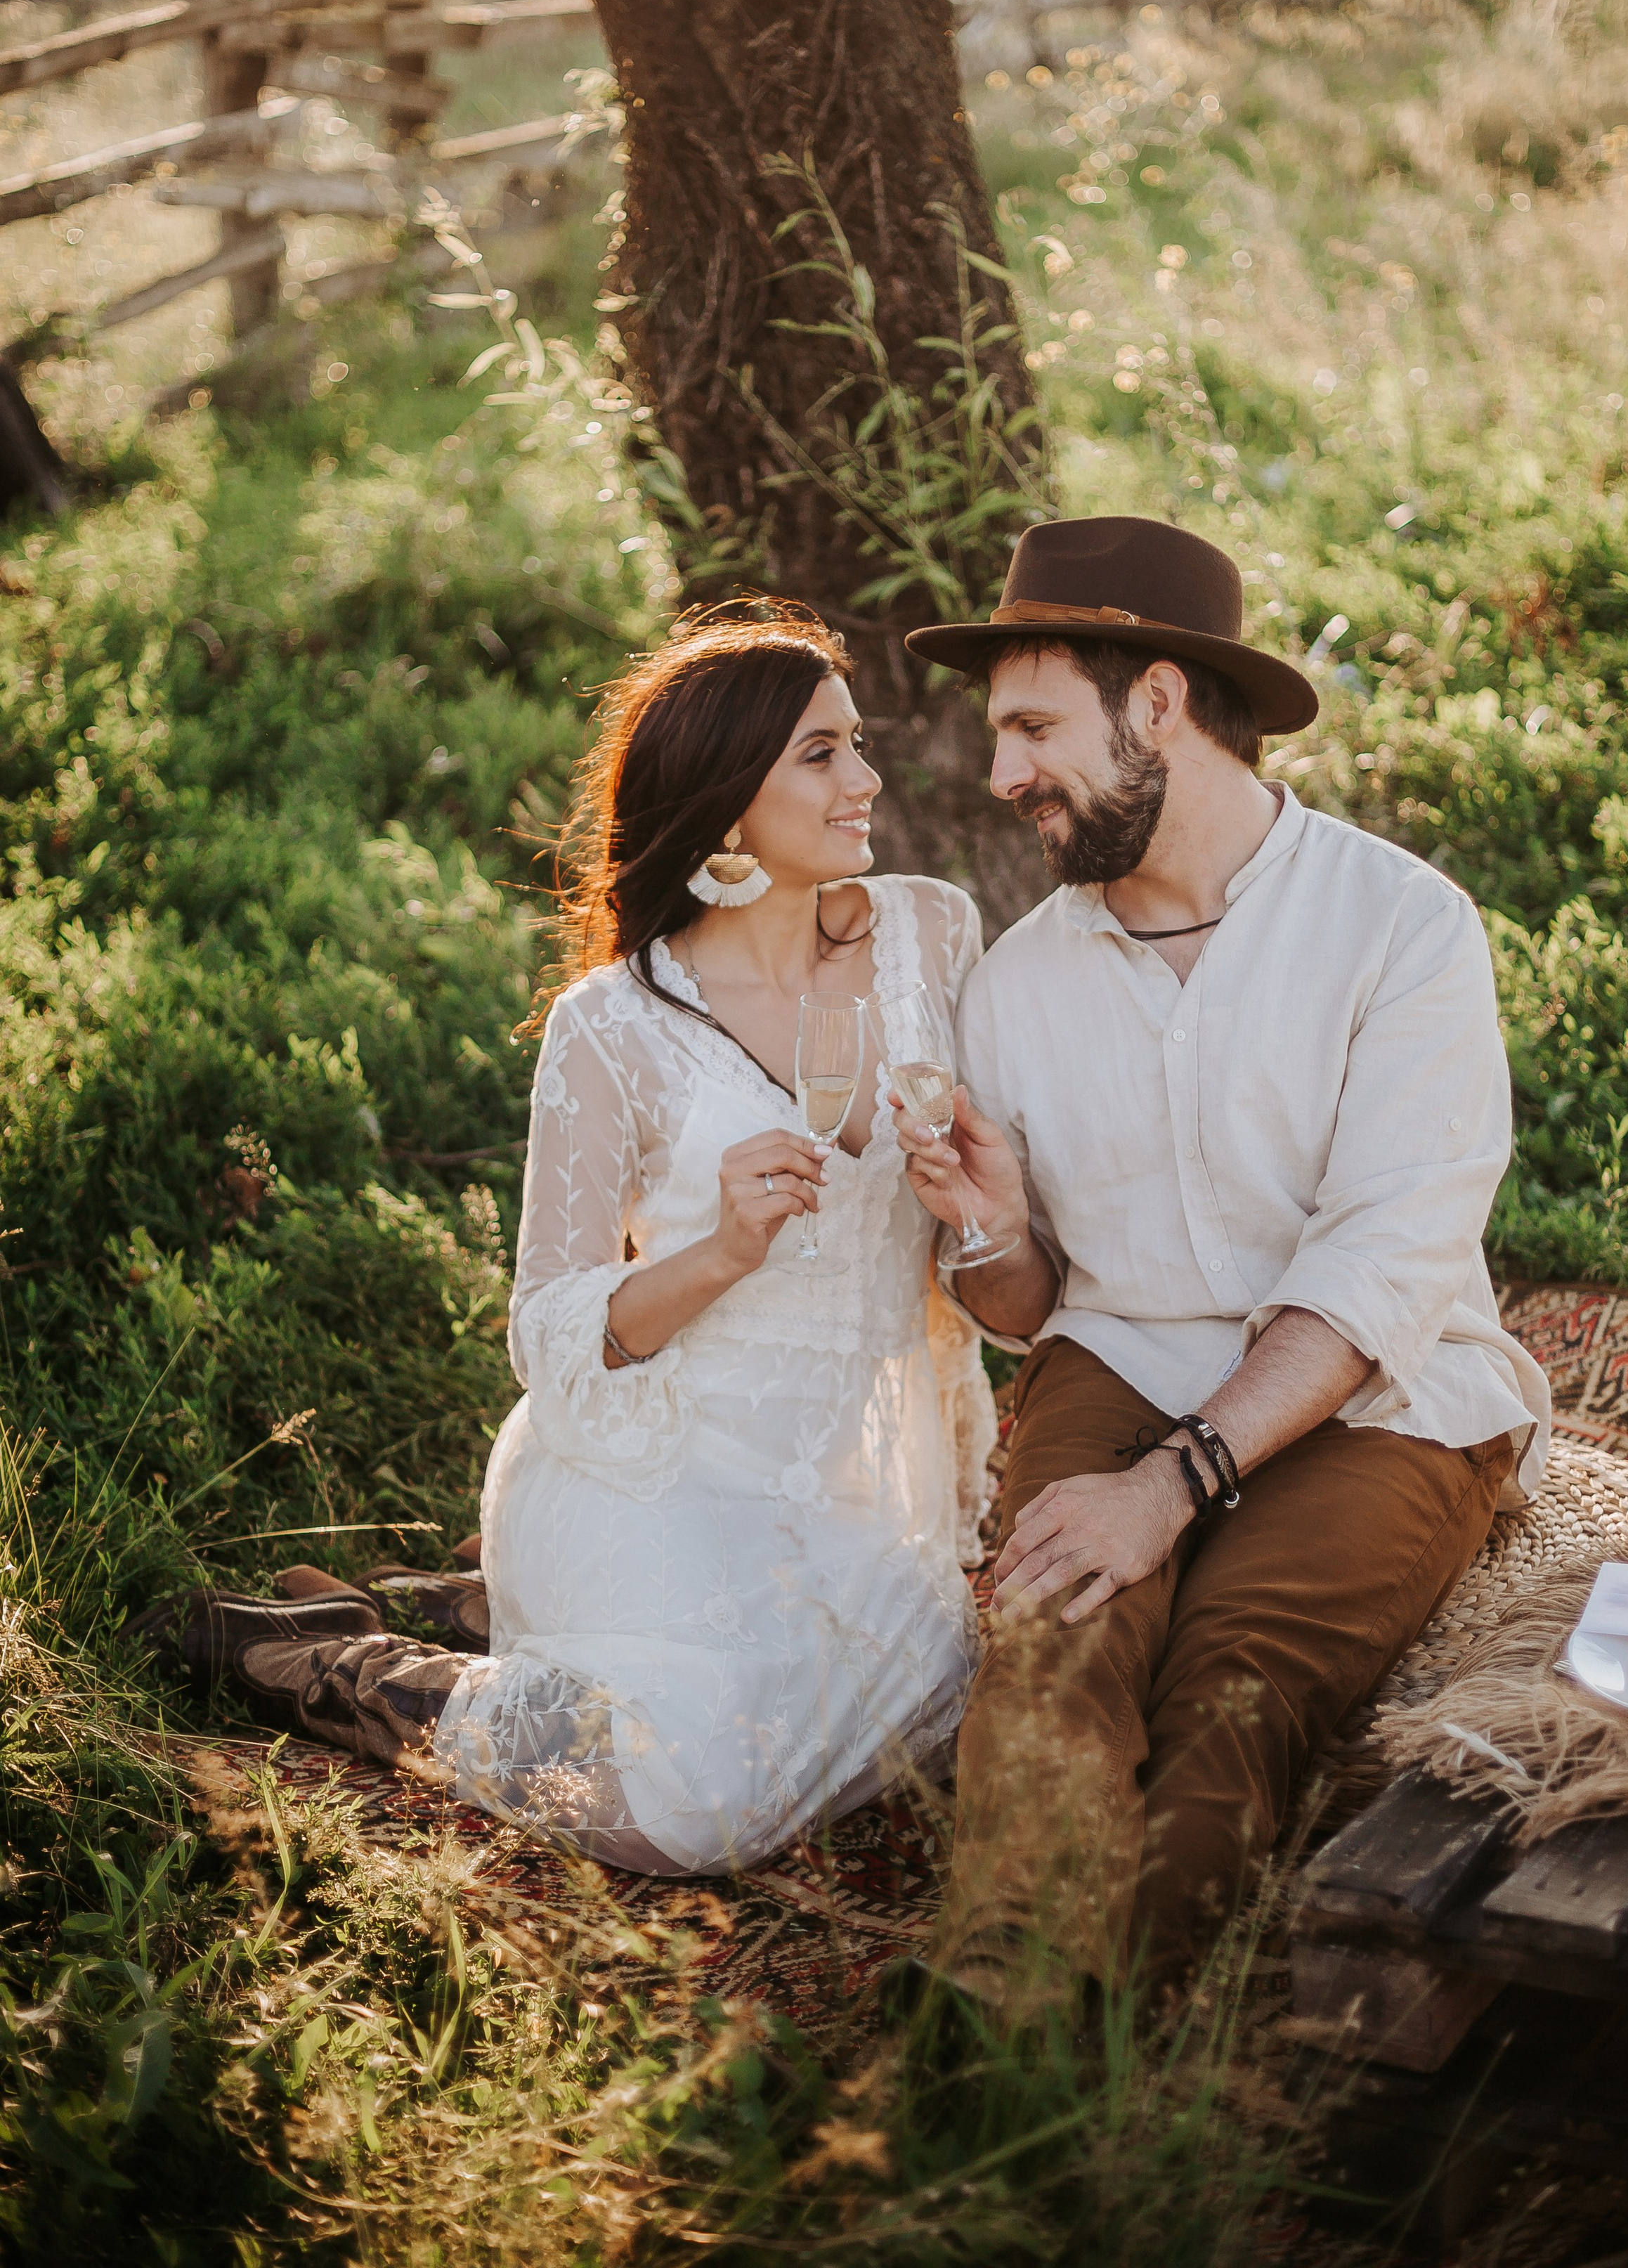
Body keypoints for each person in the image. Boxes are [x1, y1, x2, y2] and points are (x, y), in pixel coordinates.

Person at [143, 604, 996, 1875]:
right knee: (699, 1802)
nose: (866, 779)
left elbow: (984, 1214)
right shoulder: (614, 1024)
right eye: (821, 755)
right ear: (724, 800)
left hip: (856, 1491)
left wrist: (970, 1196)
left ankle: (482, 1613)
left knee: (942, 1694)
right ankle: (352, 1670)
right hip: (655, 1466)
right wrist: (715, 1257)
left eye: (855, 744)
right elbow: (550, 1330)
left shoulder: (932, 934)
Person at [894, 514, 1551, 2006]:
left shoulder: (1399, 930)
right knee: (1053, 1645)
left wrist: (1171, 1489)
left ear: (1158, 705)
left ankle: (1065, 2041)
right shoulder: (1015, 985)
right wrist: (986, 1223)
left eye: (1030, 727)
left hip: (1382, 1396)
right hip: (1115, 1358)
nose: (1002, 776)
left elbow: (1383, 1260)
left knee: (1237, 1684)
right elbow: (1029, 1308)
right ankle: (993, 1989)